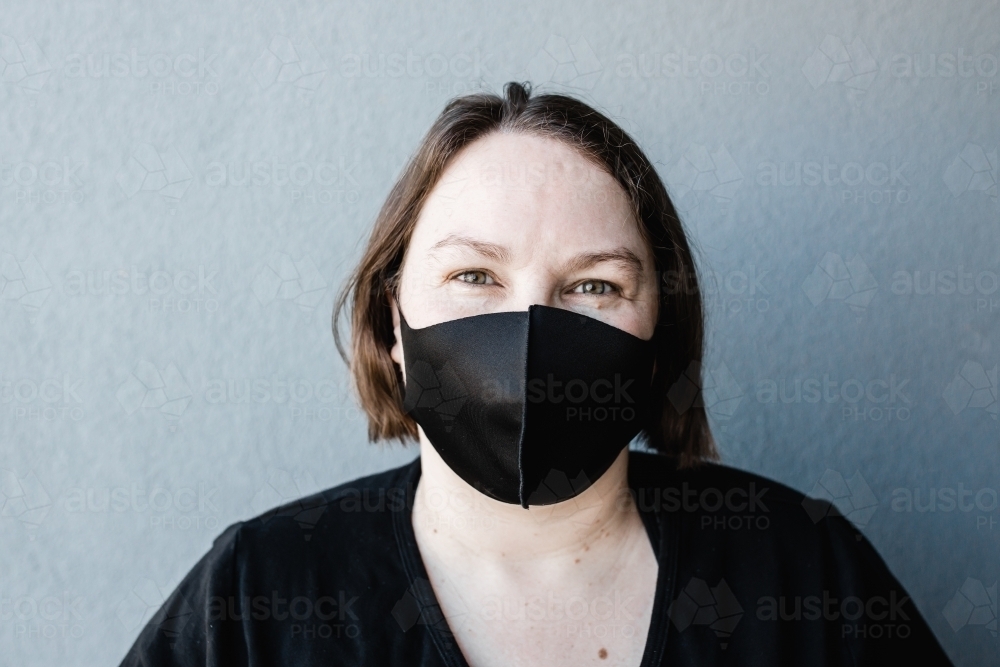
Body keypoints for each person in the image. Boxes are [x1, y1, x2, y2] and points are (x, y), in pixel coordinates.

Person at [118, 82, 953, 666]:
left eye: (594, 285)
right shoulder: (260, 595)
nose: (529, 327)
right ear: (391, 325)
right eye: (475, 276)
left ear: (659, 335)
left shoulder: (807, 573)